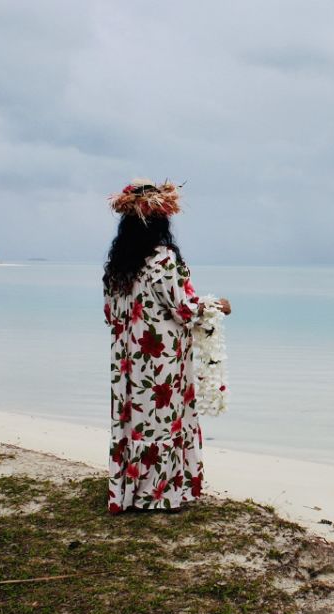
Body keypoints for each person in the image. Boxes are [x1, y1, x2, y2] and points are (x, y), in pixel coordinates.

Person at [102, 179, 230, 513]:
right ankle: (159, 495)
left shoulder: (118, 266)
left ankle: (130, 492)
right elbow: (184, 309)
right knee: (162, 418)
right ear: (161, 221)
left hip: (128, 359)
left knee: (136, 420)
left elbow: (111, 314)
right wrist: (217, 306)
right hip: (162, 358)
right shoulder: (163, 259)